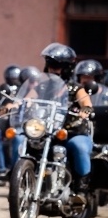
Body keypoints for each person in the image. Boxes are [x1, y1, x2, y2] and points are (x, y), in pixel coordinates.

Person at [40, 44, 94, 201]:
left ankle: (81, 190)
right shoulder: (42, 86)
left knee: (79, 146)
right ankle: (20, 180)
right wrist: (15, 105)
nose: (52, 69)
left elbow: (87, 104)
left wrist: (85, 112)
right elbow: (27, 99)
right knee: (25, 140)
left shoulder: (75, 88)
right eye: (50, 65)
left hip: (72, 131)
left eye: (56, 66)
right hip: (47, 131)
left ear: (67, 68)